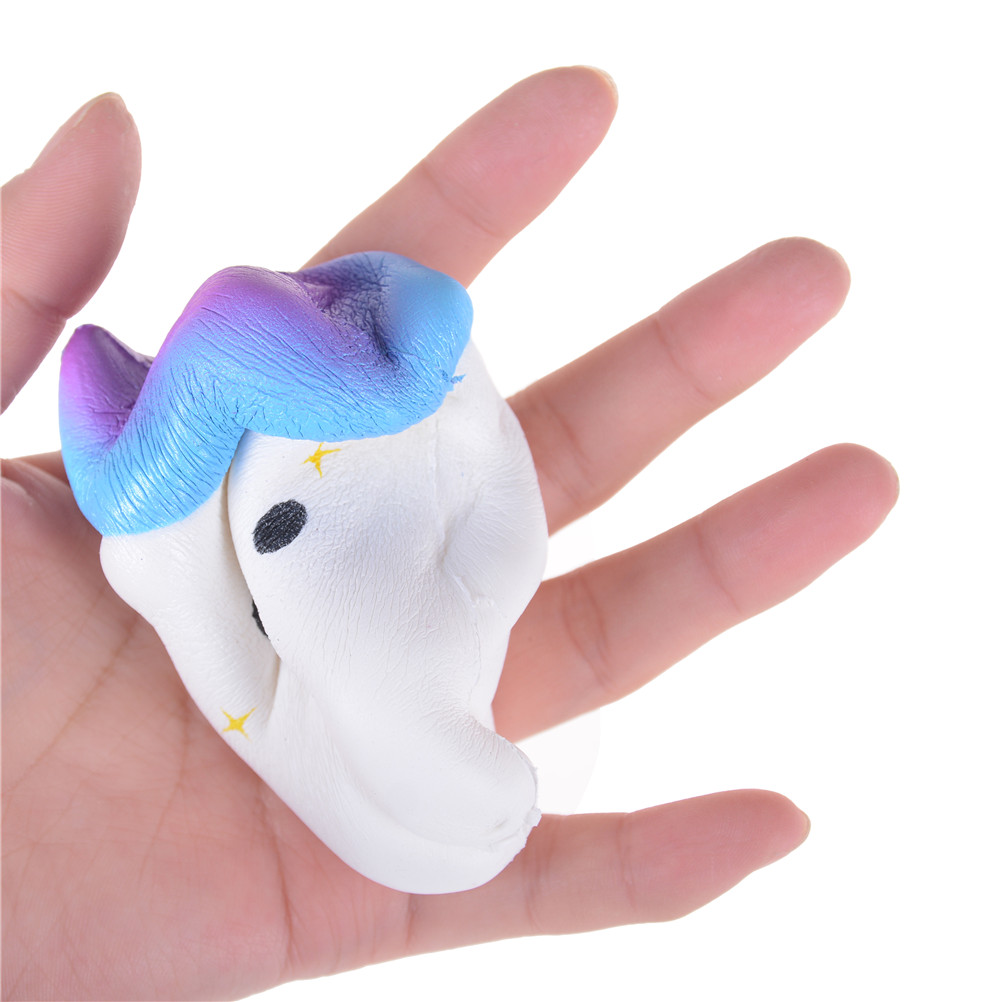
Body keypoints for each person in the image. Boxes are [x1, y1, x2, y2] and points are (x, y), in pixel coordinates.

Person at [1, 67, 898, 1000]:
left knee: (162, 525)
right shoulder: (477, 601)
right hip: (353, 382)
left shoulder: (292, 709)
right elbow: (490, 479)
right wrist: (441, 391)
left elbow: (185, 603)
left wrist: (164, 553)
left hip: (272, 428)